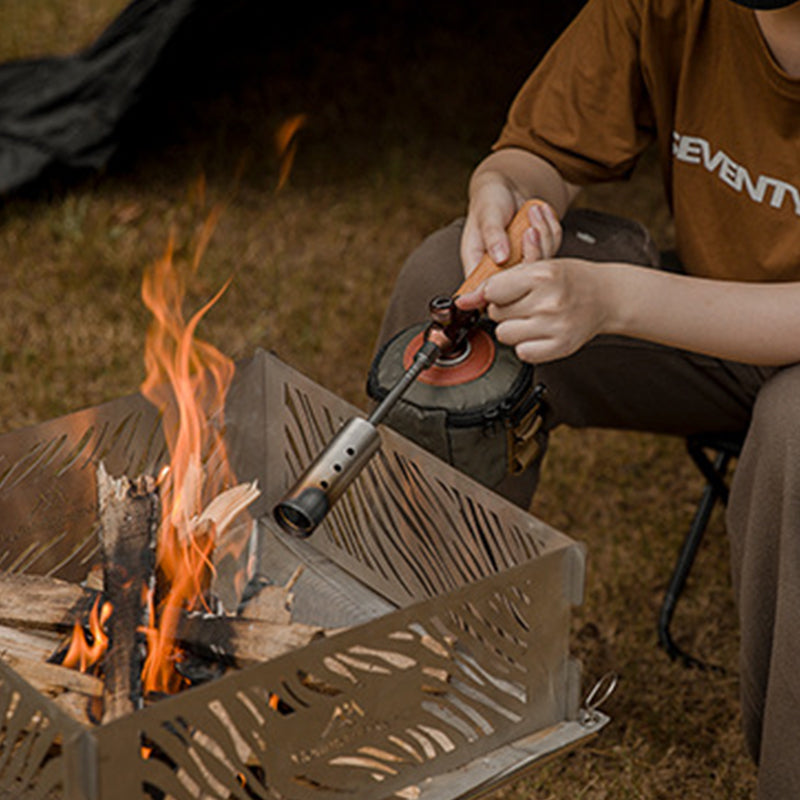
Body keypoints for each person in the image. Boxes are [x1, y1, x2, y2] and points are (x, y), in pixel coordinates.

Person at [373, 0, 800, 797]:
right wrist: (507, 196)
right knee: (448, 285)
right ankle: (429, 673)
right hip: (714, 325)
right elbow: (541, 154)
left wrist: (616, 301)